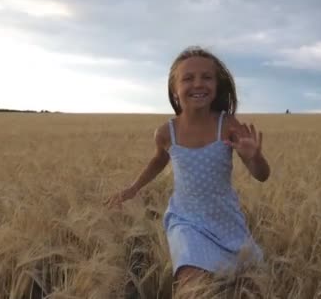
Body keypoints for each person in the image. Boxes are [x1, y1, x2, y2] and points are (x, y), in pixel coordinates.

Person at [104, 46, 271, 292]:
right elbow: (159, 160)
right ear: (174, 89)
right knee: (191, 284)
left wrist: (255, 157)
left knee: (248, 286)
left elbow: (262, 175)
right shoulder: (166, 132)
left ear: (216, 85)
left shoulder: (227, 125)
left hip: (225, 219)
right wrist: (133, 188)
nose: (198, 84)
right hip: (186, 219)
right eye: (188, 78)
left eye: (207, 77)